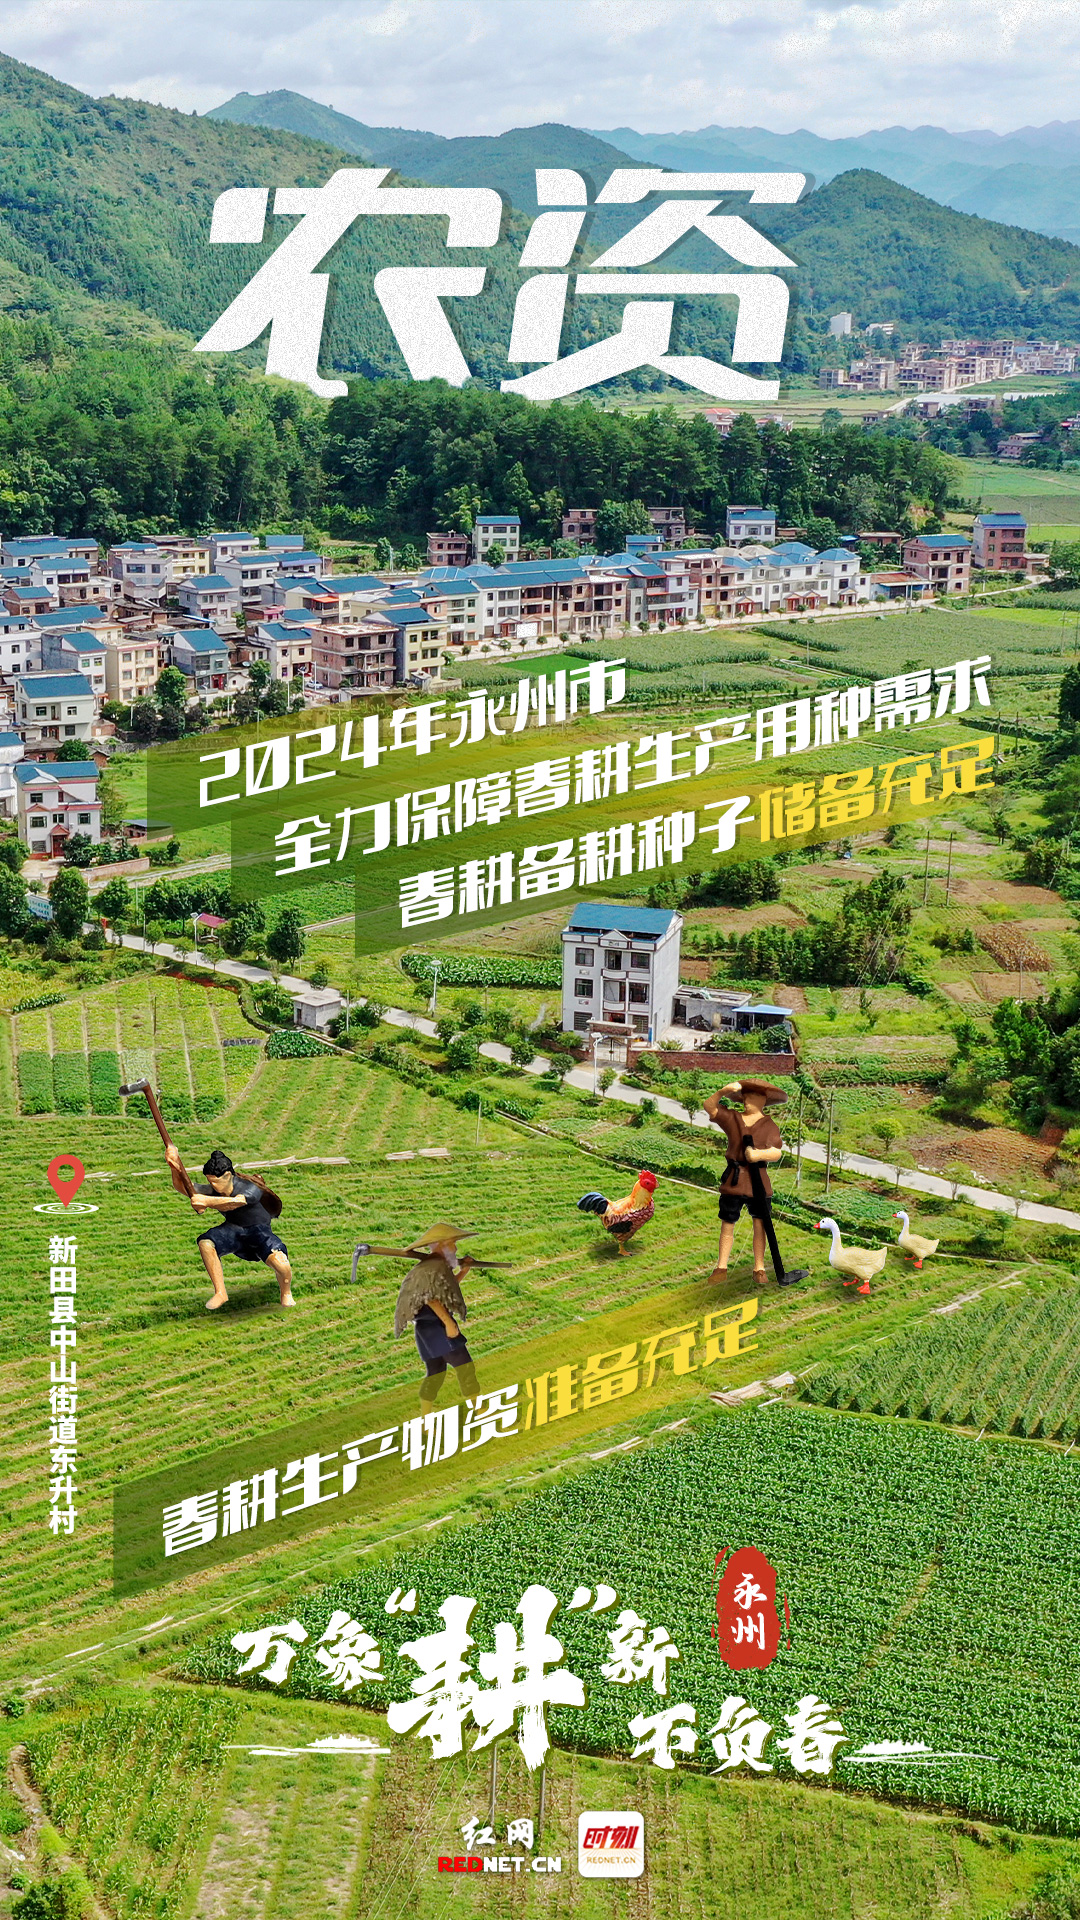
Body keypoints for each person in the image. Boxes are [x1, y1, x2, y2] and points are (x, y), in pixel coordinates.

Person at [354, 1223, 509, 1412]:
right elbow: (430, 1298)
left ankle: (425, 1416)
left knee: (436, 1372)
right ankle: (479, 1408)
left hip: (425, 1330)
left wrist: (463, 1271)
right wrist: (449, 1323)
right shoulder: (433, 1267)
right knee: (464, 1366)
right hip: (438, 1326)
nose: (455, 1248)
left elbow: (444, 1288)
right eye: (452, 1244)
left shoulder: (435, 1266)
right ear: (442, 1245)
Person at [166, 1144, 294, 1311]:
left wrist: (206, 1201)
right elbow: (184, 1187)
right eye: (210, 1181)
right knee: (206, 1243)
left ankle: (286, 1292)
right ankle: (220, 1292)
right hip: (233, 1230)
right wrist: (174, 1166)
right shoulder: (213, 1190)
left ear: (227, 1175)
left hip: (259, 1231)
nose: (213, 1186)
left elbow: (236, 1202)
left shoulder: (250, 1187)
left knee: (282, 1264)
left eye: (215, 1181)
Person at [703, 1078, 803, 1288]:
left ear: (763, 1100)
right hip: (734, 1179)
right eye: (745, 1096)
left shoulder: (769, 1126)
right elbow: (710, 1107)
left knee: (760, 1224)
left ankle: (759, 1268)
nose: (747, 1100)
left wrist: (758, 1154)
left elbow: (776, 1152)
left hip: (759, 1181)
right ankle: (721, 1267)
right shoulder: (733, 1118)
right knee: (728, 1222)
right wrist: (722, 1091)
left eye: (753, 1096)